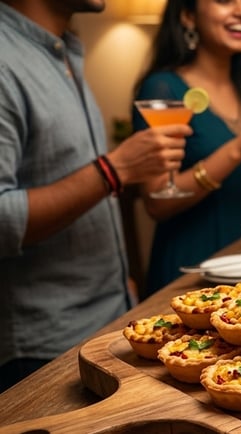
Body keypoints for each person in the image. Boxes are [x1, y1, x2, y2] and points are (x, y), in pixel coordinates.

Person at [0, 0, 189, 391]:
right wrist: (114, 170)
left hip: (108, 320)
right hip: (43, 344)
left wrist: (121, 280)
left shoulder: (61, 49)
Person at [135, 0, 241, 294]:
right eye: (226, 1)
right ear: (188, 16)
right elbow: (157, 202)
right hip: (195, 271)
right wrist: (236, 151)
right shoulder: (163, 88)